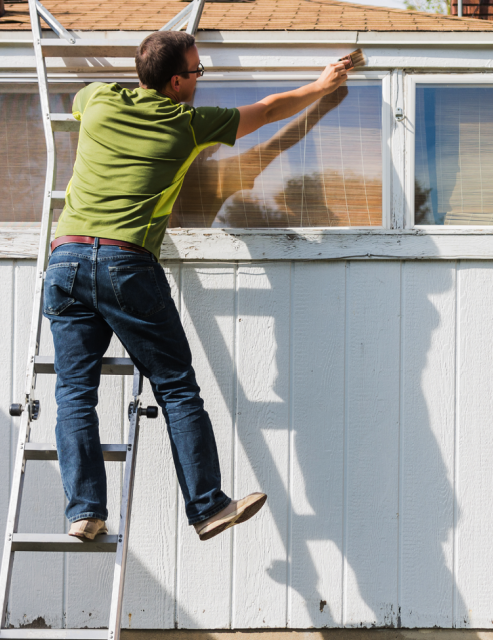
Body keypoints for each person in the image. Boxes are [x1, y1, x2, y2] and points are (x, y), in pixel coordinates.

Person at [43, 31, 352, 541]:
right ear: (176, 82)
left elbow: (79, 102)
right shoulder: (187, 124)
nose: (201, 79)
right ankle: (208, 506)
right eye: (197, 71)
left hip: (66, 259)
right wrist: (322, 85)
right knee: (176, 387)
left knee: (74, 394)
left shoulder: (97, 99)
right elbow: (272, 111)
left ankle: (84, 511)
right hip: (125, 262)